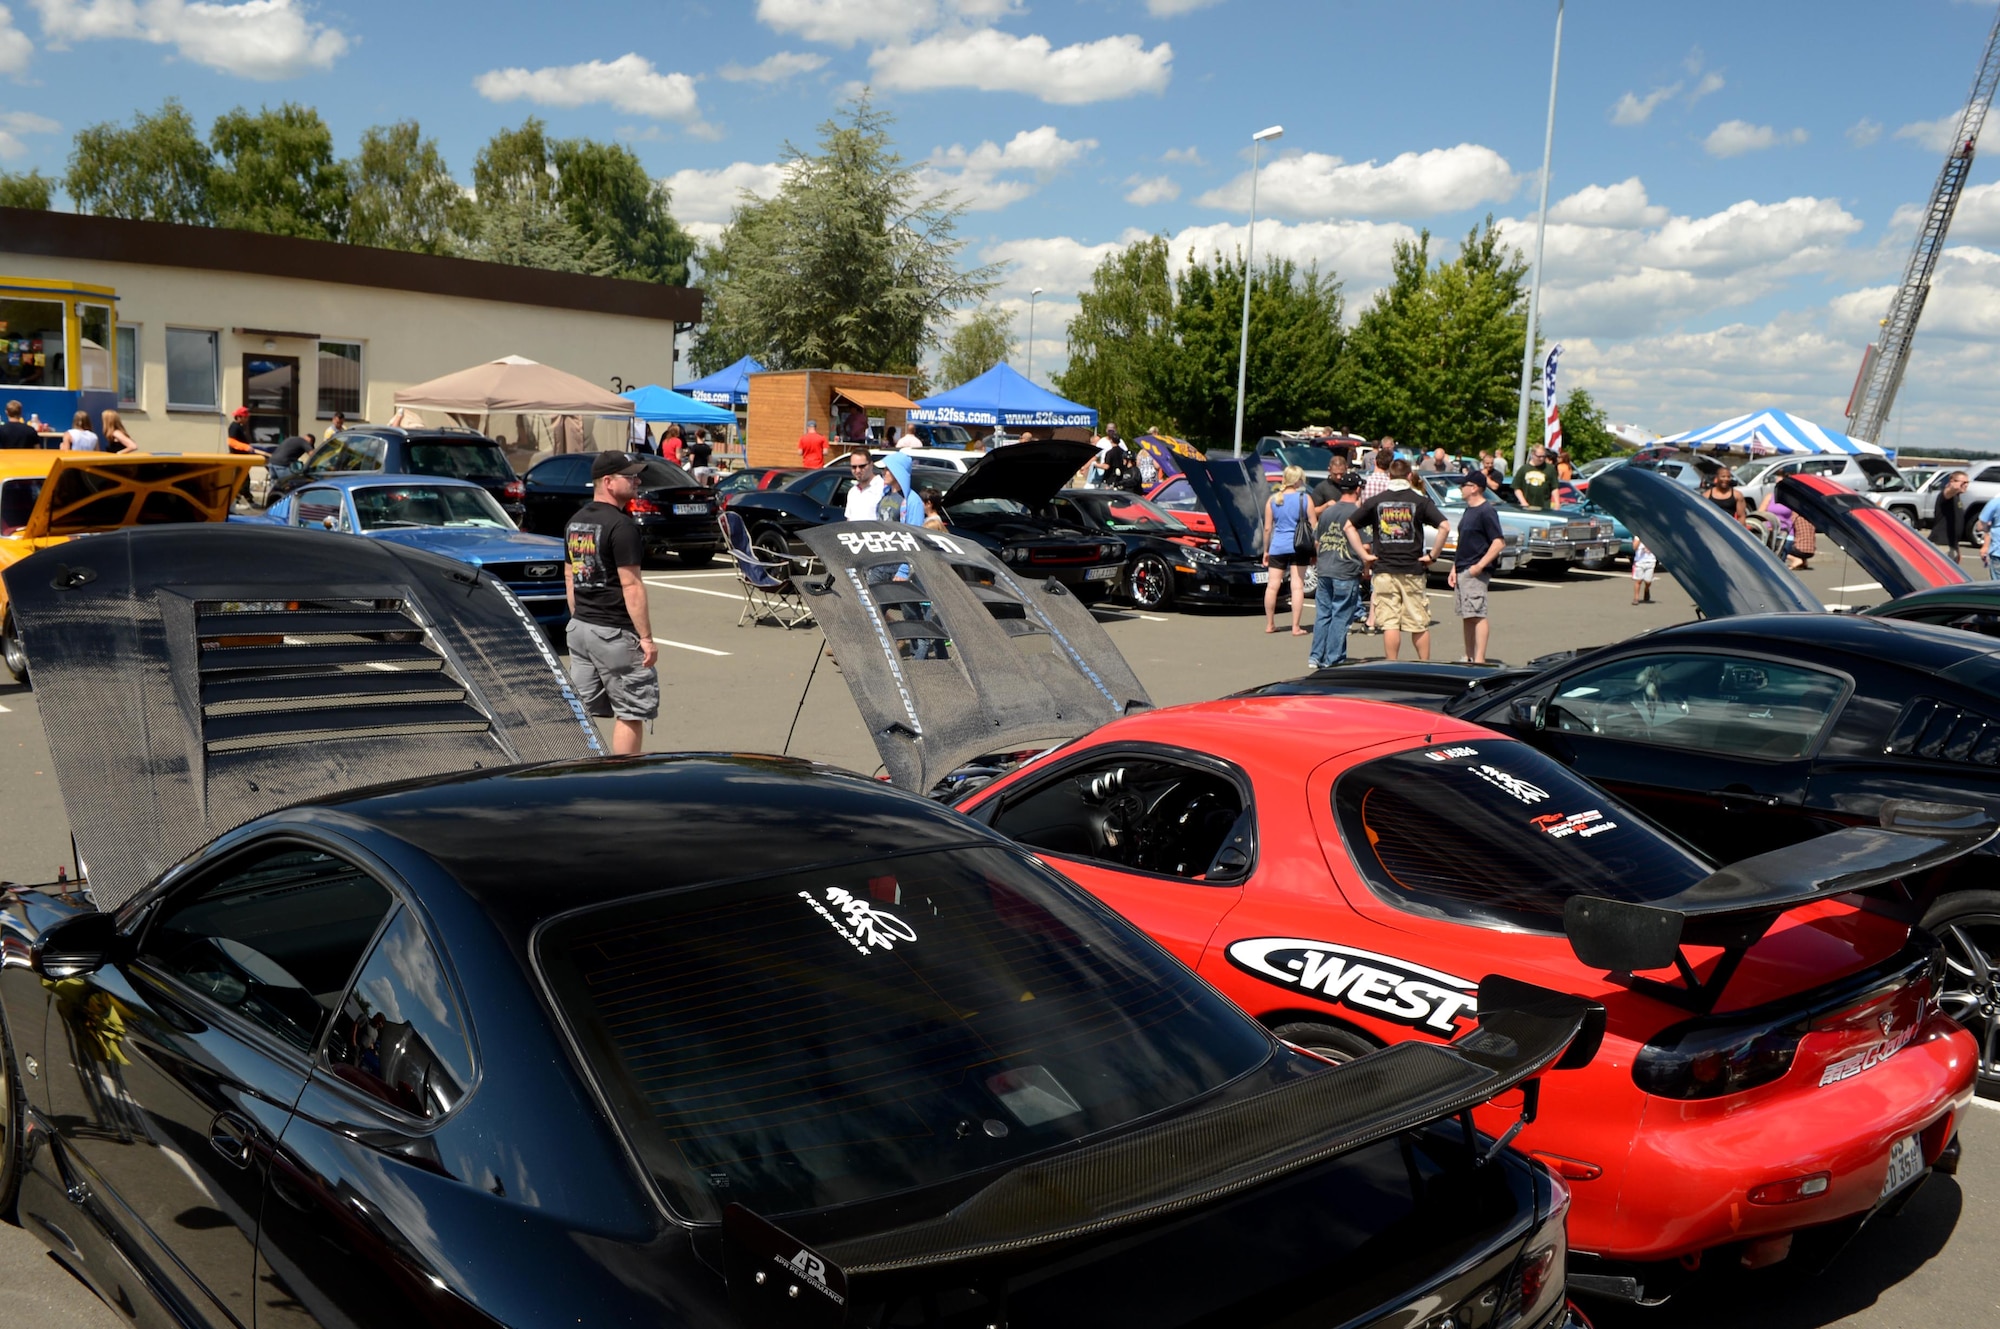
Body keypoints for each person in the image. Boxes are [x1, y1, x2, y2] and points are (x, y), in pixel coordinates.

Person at [564, 452, 658, 757]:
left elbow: (570, 574)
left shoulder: (575, 522)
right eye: (629, 476)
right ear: (608, 481)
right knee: (630, 711)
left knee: (578, 710)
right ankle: (624, 778)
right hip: (614, 631)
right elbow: (631, 585)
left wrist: (578, 617)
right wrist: (646, 638)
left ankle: (570, 768)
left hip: (580, 629)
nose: (637, 481)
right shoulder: (622, 526)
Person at [1346, 458, 1449, 662]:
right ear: (1410, 476)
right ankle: (1424, 665)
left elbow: (1349, 526)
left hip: (1384, 567)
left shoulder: (1377, 501)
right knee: (1418, 621)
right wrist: (1432, 556)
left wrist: (1364, 554)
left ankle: (1392, 664)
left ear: (1389, 476)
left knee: (1390, 623)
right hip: (1413, 567)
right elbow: (1444, 526)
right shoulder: (1420, 501)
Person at [1308, 471, 1365, 669]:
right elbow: (1365, 544)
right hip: (1345, 569)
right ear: (1358, 489)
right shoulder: (1357, 513)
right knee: (1341, 615)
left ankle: (1316, 656)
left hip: (1325, 568)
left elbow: (1317, 541)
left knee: (1323, 614)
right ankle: (1333, 659)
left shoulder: (1328, 511)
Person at [1449, 471, 1505, 665]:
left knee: (1477, 613)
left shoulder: (1486, 510)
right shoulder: (1469, 510)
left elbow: (1498, 542)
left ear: (1474, 488)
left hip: (1475, 570)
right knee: (1467, 614)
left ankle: (1479, 659)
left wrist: (1479, 566)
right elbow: (1464, 542)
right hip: (1463, 567)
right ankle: (1469, 656)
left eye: (1463, 485)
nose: (1460, 488)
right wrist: (1454, 568)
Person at [1263, 465, 1313, 635]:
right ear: (1298, 480)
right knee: (1297, 585)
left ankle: (1270, 624)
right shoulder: (1305, 498)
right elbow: (1314, 526)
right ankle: (1295, 627)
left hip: (1278, 546)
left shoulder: (1273, 500)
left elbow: (1268, 529)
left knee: (1272, 586)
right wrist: (1316, 551)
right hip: (1299, 546)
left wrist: (1266, 550)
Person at [1931, 470, 1971, 562]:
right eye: (1963, 482)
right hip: (1942, 544)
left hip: (1952, 544)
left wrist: (1957, 548)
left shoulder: (1957, 497)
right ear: (1952, 481)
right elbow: (1947, 493)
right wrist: (1954, 488)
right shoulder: (1945, 496)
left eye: (1967, 482)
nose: (1966, 485)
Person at [844, 448, 887, 520]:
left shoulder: (883, 488)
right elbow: (849, 519)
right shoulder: (853, 492)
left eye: (862, 466)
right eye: (854, 467)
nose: (857, 470)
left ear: (871, 465)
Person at [1511, 445, 1555, 509]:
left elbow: (1555, 488)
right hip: (1527, 506)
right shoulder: (1524, 469)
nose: (1541, 459)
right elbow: (1516, 488)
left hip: (1544, 507)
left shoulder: (1550, 469)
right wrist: (1524, 503)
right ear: (1533, 455)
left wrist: (1557, 503)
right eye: (1539, 456)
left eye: (1543, 456)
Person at [1630, 536, 1656, 604]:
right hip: (1639, 562)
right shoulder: (1637, 537)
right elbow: (1634, 547)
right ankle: (1636, 598)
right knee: (1638, 580)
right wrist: (1639, 541)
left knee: (1648, 581)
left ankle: (1646, 589)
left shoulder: (1653, 536)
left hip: (1651, 561)